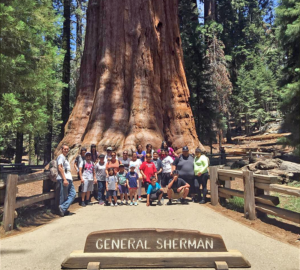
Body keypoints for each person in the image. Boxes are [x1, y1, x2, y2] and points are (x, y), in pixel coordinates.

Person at [56, 144, 76, 217]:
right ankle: (62, 210)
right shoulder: (61, 157)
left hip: (68, 178)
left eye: (67, 149)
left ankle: (63, 208)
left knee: (73, 194)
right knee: (63, 195)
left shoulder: (65, 158)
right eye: (65, 149)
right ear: (62, 149)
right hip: (63, 178)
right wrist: (64, 179)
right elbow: (60, 168)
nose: (66, 150)